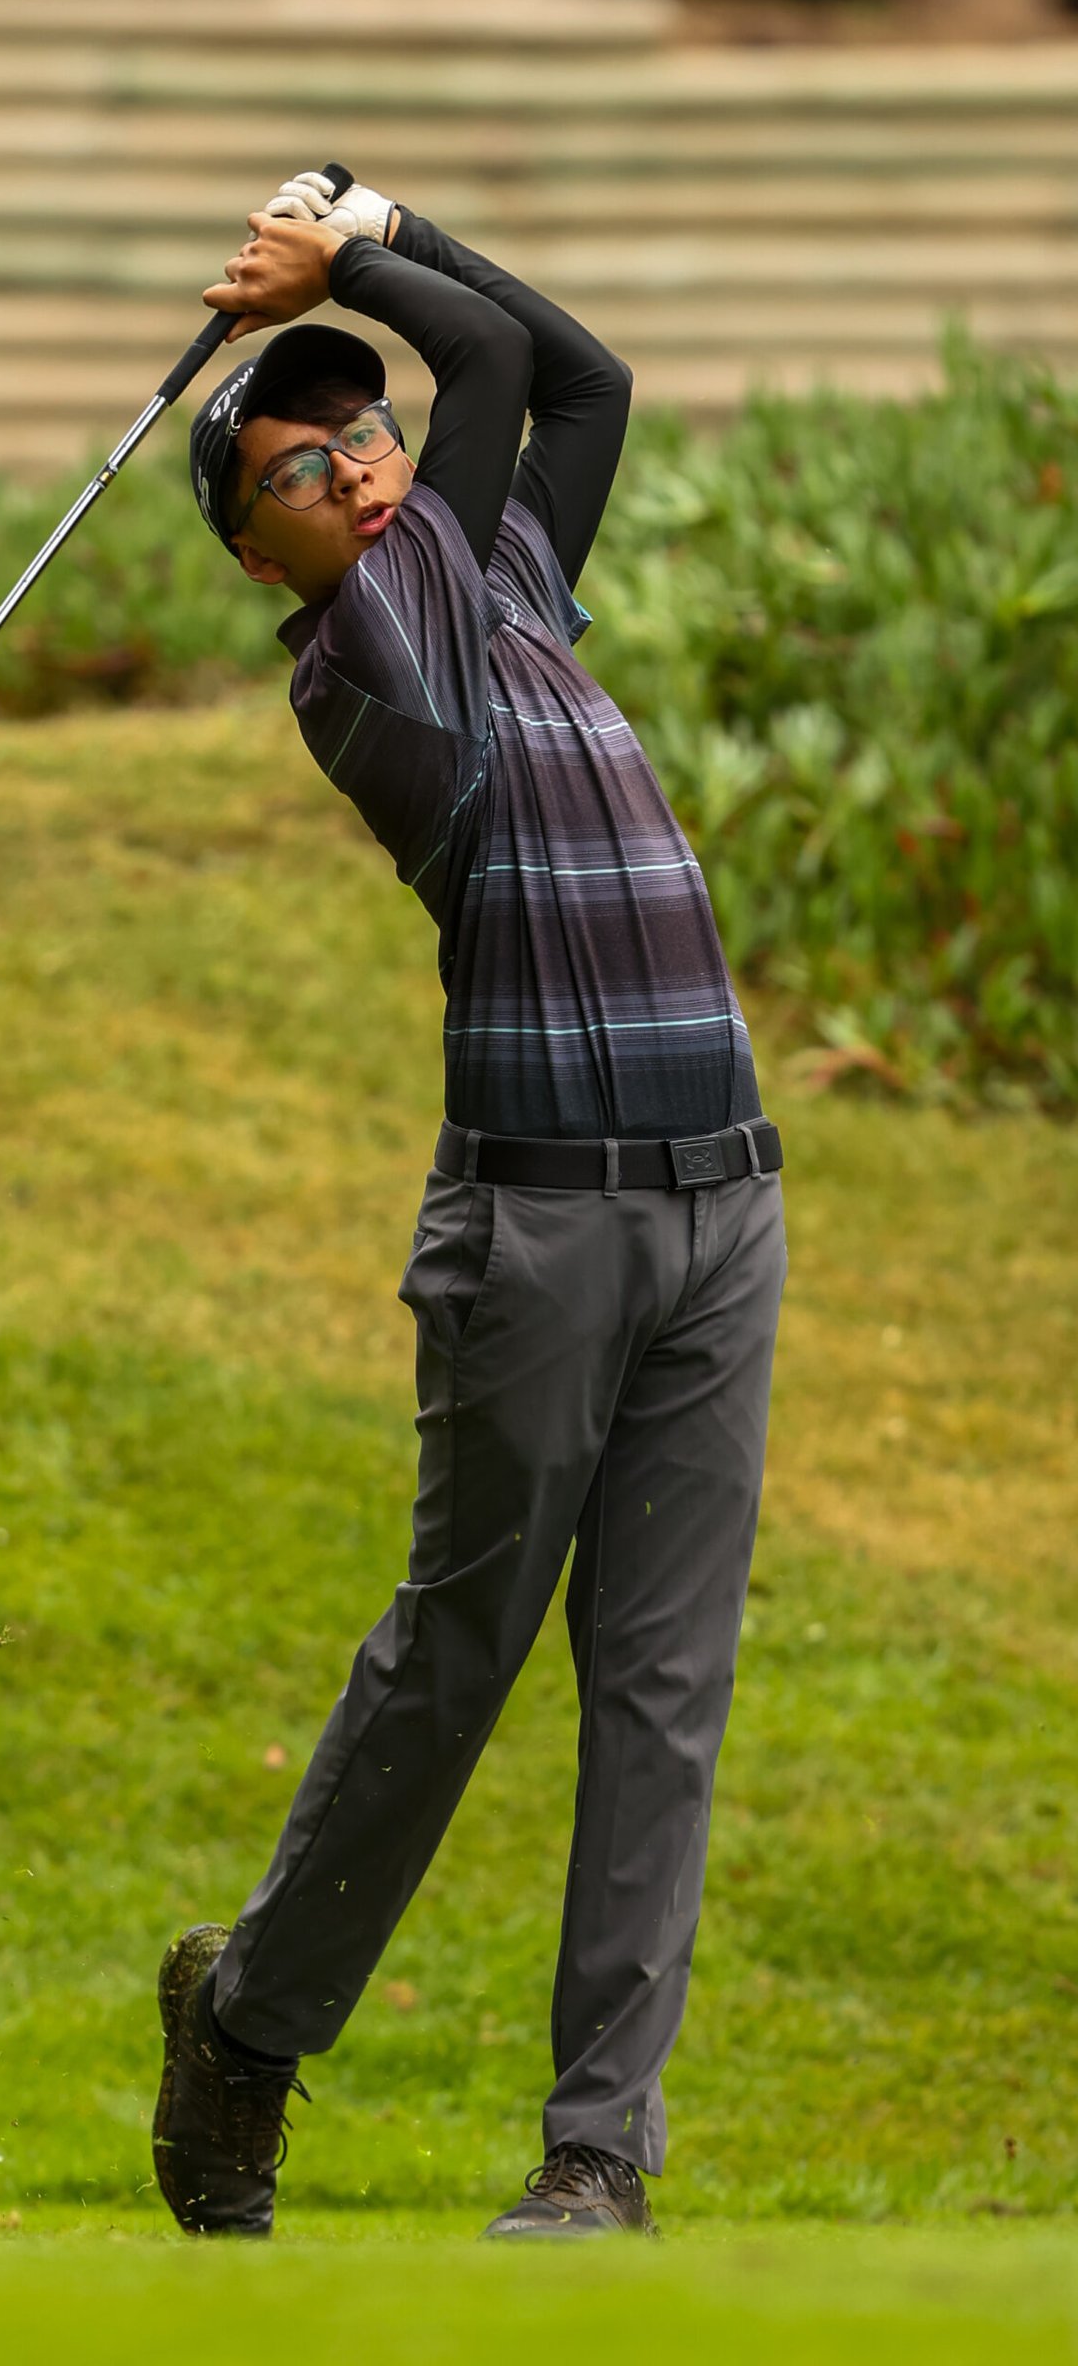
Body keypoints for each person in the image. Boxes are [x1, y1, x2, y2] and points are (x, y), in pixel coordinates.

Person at [151, 173, 788, 2244]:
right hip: (536, 1229)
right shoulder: (370, 648)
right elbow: (495, 361)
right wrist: (351, 260)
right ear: (261, 547)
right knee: (456, 1660)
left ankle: (597, 2157)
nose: (351, 459)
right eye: (296, 463)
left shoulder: (497, 580)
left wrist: (386, 219)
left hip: (719, 1206)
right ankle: (246, 2022)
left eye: (358, 425)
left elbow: (582, 380)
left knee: (661, 1696)